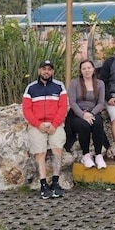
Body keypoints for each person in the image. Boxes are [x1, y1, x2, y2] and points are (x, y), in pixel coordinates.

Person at [22, 59, 68, 199]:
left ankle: (55, 182)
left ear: (52, 71)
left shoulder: (59, 86)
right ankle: (43, 184)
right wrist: (38, 124)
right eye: (44, 69)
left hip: (55, 124)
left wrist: (55, 124)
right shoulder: (31, 88)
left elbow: (63, 107)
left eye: (49, 69)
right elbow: (26, 110)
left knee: (57, 150)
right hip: (37, 125)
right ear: (39, 71)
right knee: (40, 153)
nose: (46, 72)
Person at [67, 59, 107, 169]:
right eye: (84, 68)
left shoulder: (100, 83)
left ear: (93, 69)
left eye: (89, 68)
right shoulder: (74, 83)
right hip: (77, 114)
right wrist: (83, 115)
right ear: (80, 71)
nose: (87, 70)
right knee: (84, 125)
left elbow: (101, 103)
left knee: (97, 122)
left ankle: (98, 155)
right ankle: (86, 155)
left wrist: (92, 113)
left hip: (93, 112)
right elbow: (72, 102)